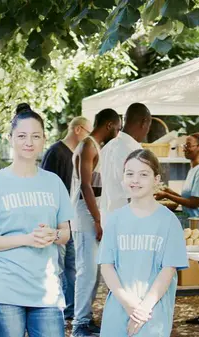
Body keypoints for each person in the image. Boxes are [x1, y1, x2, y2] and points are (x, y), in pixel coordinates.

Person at [0, 103, 73, 337]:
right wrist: (26, 239)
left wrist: (53, 235)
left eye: (36, 136)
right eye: (22, 136)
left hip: (46, 291)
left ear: (44, 139)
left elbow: (65, 233)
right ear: (10, 139)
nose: (29, 142)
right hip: (4, 291)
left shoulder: (54, 182)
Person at [98, 149, 188, 337]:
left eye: (143, 174)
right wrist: (128, 304)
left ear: (156, 179)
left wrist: (142, 309)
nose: (135, 180)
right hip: (119, 307)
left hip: (152, 313)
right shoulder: (114, 220)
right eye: (129, 174)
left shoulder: (169, 221)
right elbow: (107, 266)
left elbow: (168, 270)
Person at [154, 133, 199, 331]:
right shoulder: (193, 169)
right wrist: (168, 192)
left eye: (189, 145)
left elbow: (196, 202)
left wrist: (167, 195)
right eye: (184, 145)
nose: (185, 148)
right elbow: (189, 197)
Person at [71, 109, 121, 337]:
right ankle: (79, 324)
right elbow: (85, 186)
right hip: (85, 214)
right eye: (118, 127)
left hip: (94, 212)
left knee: (95, 272)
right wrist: (98, 219)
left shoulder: (98, 147)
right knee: (87, 271)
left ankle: (86, 318)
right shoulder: (88, 145)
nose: (119, 131)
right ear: (110, 125)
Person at [41, 116, 92, 323]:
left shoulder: (77, 154)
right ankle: (56, 308)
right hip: (57, 221)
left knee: (72, 267)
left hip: (72, 221)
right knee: (58, 266)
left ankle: (70, 309)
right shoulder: (55, 152)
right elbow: (44, 186)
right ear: (79, 129)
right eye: (89, 132)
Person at [100, 103, 152, 220]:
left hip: (107, 217)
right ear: (144, 123)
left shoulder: (107, 147)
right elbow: (134, 191)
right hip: (128, 220)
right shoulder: (135, 151)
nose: (147, 131)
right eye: (149, 126)